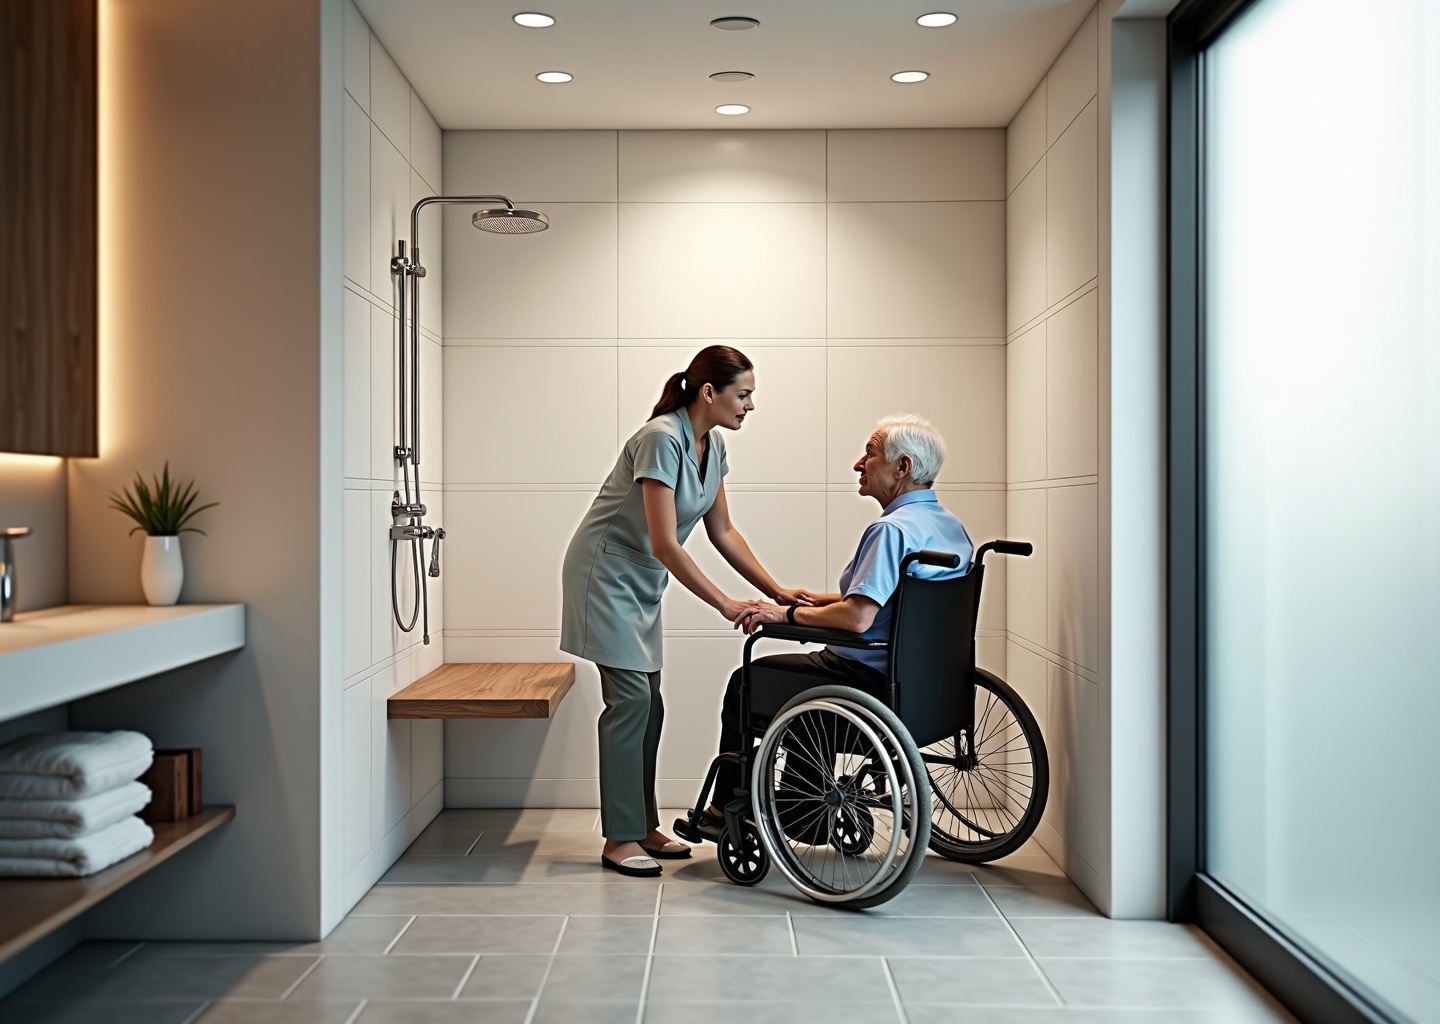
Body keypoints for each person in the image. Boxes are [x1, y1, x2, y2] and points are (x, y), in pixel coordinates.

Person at [560, 345, 816, 877]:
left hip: (640, 580)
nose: (749, 406)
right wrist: (725, 604)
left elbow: (722, 531)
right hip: (604, 576)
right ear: (709, 393)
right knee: (631, 702)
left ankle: (642, 826)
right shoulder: (660, 439)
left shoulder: (711, 444)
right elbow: (665, 542)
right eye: (743, 395)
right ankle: (618, 838)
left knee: (649, 704)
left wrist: (775, 591)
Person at [703, 414, 973, 824]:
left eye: (871, 453)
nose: (858, 464)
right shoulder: (951, 529)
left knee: (748, 682)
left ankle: (729, 809)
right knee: (797, 676)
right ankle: (804, 798)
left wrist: (785, 614)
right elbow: (898, 602)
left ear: (902, 468)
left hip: (866, 680)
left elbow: (859, 619)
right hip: (928, 687)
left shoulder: (892, 531)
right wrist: (819, 601)